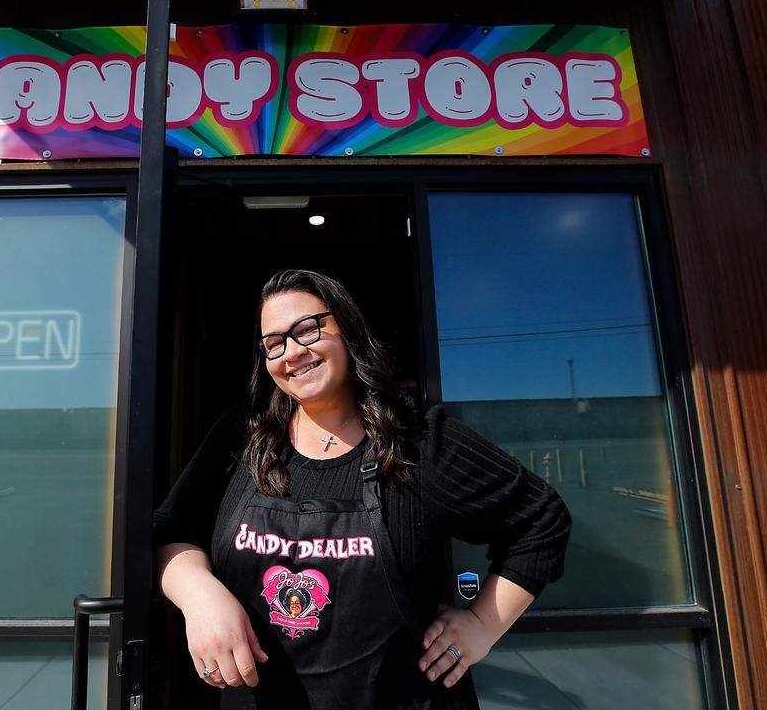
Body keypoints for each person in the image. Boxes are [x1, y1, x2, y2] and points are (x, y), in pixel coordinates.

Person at [153, 269, 571, 709]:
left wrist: (483, 625)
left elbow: (542, 520)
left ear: (347, 329)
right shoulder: (243, 438)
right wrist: (198, 594)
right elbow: (168, 530)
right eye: (273, 343)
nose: (291, 353)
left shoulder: (421, 444)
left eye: (306, 329)